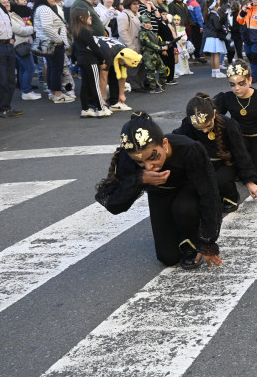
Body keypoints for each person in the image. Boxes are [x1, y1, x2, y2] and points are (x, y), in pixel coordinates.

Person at [95, 112, 224, 269]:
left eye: (153, 157)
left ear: (164, 143)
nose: (149, 166)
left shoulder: (190, 149)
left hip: (189, 192)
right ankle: (177, 232)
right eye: (140, 162)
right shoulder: (128, 157)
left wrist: (208, 242)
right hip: (160, 193)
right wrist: (140, 179)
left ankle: (191, 237)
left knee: (183, 208)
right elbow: (114, 204)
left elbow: (210, 195)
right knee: (168, 258)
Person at [173, 93, 257, 213]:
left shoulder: (228, 124)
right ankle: (215, 194)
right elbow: (177, 139)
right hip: (205, 162)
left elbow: (241, 153)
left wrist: (249, 181)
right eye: (199, 129)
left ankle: (231, 195)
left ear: (214, 113)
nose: (204, 131)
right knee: (193, 185)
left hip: (227, 163)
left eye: (208, 126)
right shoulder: (188, 125)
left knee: (217, 181)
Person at [32, 0, 71, 104]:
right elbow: (47, 27)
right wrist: (59, 40)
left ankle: (54, 93)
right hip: (53, 43)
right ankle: (58, 94)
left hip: (49, 43)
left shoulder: (42, 8)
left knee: (52, 68)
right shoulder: (44, 9)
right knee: (56, 69)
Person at [70, 7, 110, 117]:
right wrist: (102, 59)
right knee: (95, 86)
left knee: (85, 85)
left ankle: (85, 109)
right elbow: (94, 47)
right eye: (88, 15)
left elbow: (74, 48)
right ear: (82, 18)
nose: (90, 17)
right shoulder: (86, 32)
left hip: (82, 61)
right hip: (91, 61)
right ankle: (100, 109)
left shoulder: (76, 31)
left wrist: (75, 60)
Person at [6, 0, 39, 102]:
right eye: (3, 3)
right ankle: (26, 91)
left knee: (24, 68)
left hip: (25, 41)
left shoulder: (18, 12)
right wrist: (33, 28)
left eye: (7, 2)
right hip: (20, 43)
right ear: (15, 0)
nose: (6, 4)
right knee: (29, 68)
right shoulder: (11, 15)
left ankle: (25, 90)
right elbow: (19, 30)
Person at [0, 0, 18, 118]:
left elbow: (8, 24)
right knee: (2, 80)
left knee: (11, 79)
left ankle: (7, 106)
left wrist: (12, 38)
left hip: (8, 46)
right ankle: (2, 108)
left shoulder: (1, 5)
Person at [203, 0, 228, 78]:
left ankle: (214, 71)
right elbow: (217, 27)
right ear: (214, 7)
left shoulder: (208, 15)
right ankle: (217, 72)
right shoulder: (214, 16)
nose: (218, 8)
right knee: (217, 54)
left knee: (212, 55)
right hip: (215, 37)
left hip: (210, 37)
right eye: (217, 6)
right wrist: (222, 26)